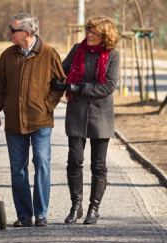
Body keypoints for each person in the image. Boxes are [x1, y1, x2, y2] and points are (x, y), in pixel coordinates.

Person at [0, 12, 65, 227]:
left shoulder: (48, 53)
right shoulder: (7, 55)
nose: (10, 34)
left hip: (40, 122)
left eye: (13, 30)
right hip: (13, 123)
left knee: (42, 164)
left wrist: (47, 106)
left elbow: (60, 84)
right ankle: (24, 216)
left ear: (28, 32)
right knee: (18, 169)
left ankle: (41, 214)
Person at [60, 16, 120, 225]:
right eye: (88, 31)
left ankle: (94, 208)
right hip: (76, 112)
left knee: (98, 165)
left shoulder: (112, 54)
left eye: (94, 33)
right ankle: (76, 205)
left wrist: (79, 88)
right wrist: (58, 82)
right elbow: (62, 70)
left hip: (100, 115)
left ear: (105, 36)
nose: (89, 36)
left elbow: (108, 86)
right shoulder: (78, 49)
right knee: (74, 161)